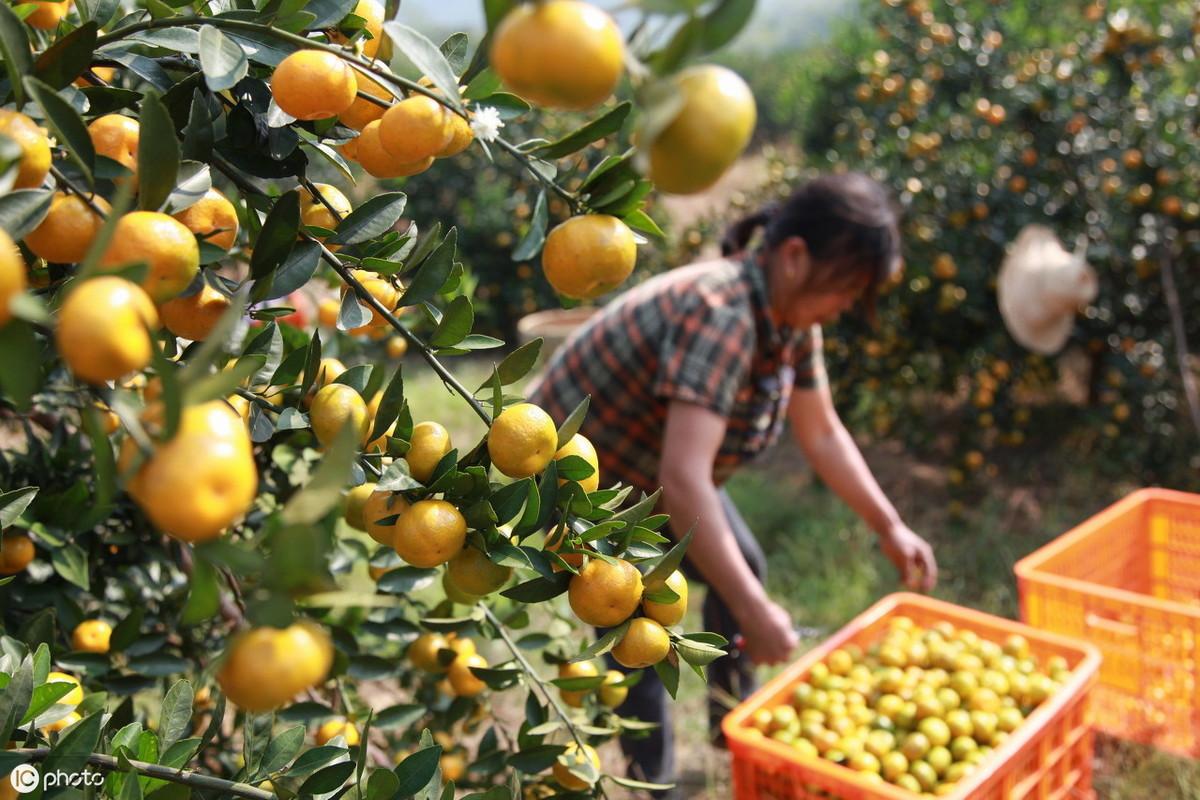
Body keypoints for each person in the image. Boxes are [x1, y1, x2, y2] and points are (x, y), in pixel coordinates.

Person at [525, 173, 939, 794]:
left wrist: (890, 526)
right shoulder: (723, 314)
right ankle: (653, 778)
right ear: (795, 257)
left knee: (739, 560)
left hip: (651, 466)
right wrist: (754, 609)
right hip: (577, 470)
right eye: (848, 288)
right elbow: (684, 479)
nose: (847, 306)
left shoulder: (791, 319)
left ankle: (731, 734)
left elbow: (821, 432)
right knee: (636, 621)